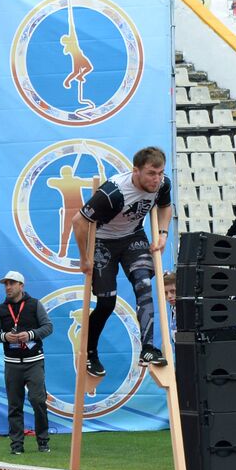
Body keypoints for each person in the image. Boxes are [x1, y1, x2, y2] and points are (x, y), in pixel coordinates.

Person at [73, 145, 173, 375]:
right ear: (135, 171)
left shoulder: (162, 184)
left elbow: (165, 207)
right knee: (107, 302)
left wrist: (163, 233)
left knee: (144, 283)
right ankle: (90, 353)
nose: (156, 179)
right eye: (151, 173)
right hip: (102, 241)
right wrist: (84, 258)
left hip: (132, 238)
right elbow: (79, 221)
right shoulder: (113, 193)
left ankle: (148, 347)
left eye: (160, 173)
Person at [0, 271, 53, 455]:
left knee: (38, 400)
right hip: (12, 364)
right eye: (5, 284)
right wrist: (5, 336)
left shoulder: (34, 305)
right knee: (14, 405)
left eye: (12, 283)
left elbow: (48, 327)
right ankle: (17, 445)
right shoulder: (1, 310)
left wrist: (30, 335)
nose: (8, 287)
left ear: (21, 286)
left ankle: (43, 441)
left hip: (34, 362)